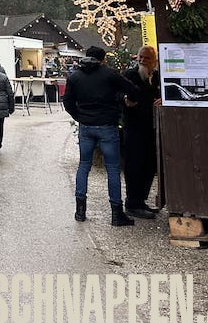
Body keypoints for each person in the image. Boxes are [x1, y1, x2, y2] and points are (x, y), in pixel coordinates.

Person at [63, 46, 139, 226]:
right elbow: (134, 90)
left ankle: (80, 211)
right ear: (103, 59)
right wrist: (126, 100)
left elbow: (67, 101)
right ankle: (116, 213)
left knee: (84, 166)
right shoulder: (109, 74)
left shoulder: (75, 76)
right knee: (112, 169)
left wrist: (79, 116)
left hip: (86, 127)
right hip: (107, 126)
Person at [122, 46, 162, 219]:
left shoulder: (157, 77)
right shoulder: (131, 75)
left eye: (147, 58)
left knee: (149, 165)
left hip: (151, 128)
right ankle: (132, 203)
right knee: (134, 166)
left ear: (154, 61)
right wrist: (126, 100)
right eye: (141, 57)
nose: (143, 61)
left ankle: (141, 200)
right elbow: (121, 96)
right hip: (134, 128)